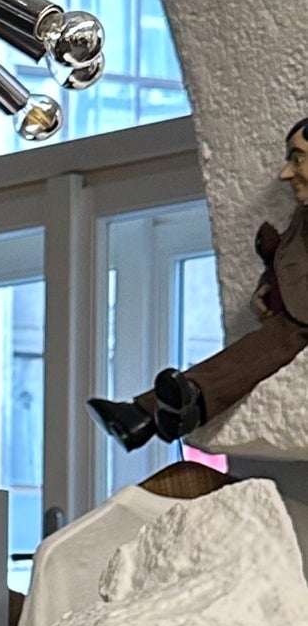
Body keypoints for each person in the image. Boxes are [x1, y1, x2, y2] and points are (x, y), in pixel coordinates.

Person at [91, 117, 308, 449]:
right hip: (296, 312)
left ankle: (169, 408)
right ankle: (144, 414)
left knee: (257, 352)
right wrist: (269, 283)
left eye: (298, 159)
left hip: (299, 319)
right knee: (248, 352)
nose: (285, 174)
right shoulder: (301, 217)